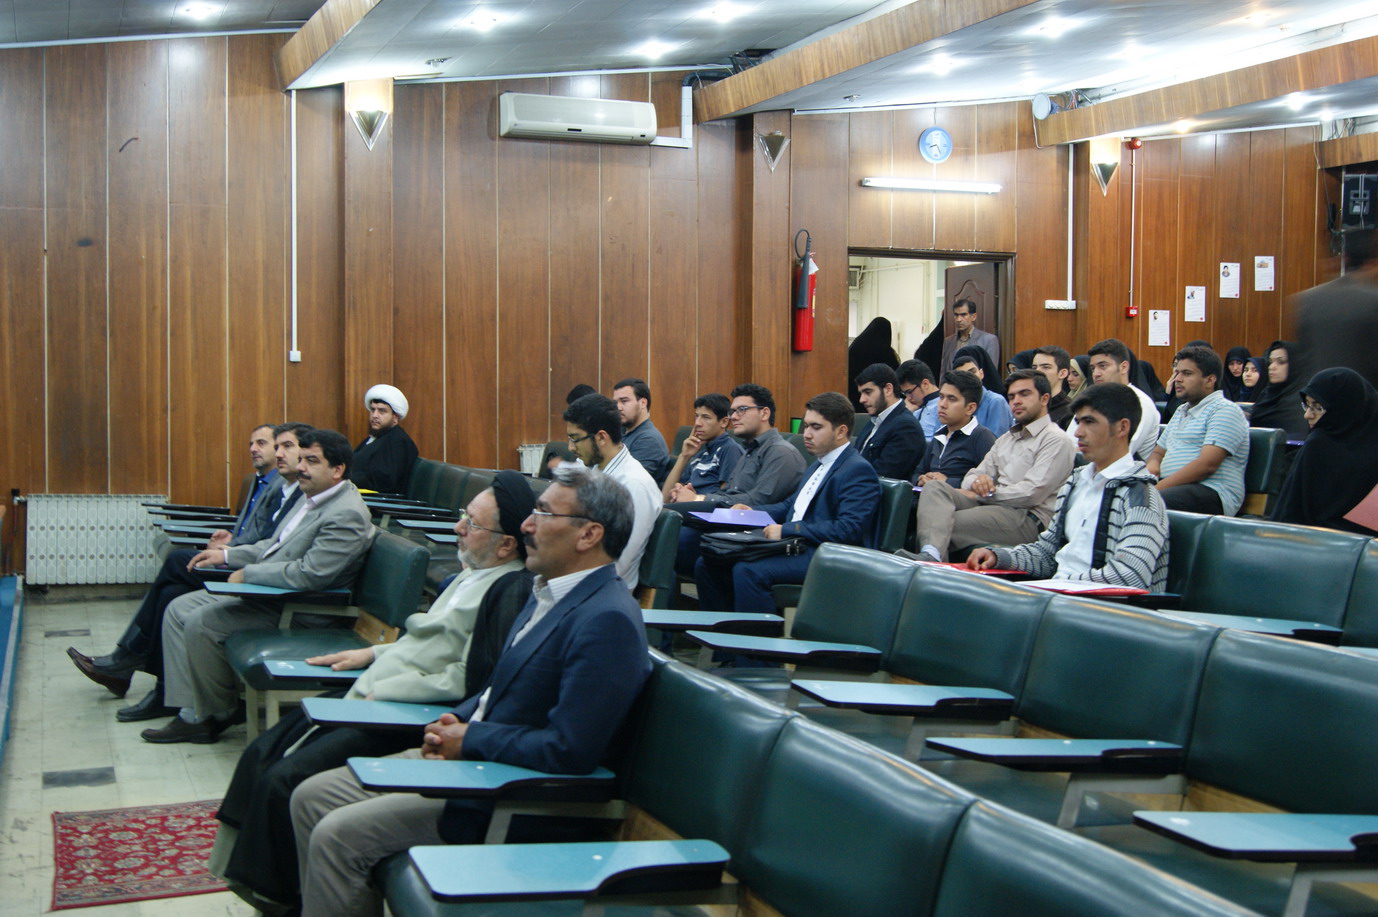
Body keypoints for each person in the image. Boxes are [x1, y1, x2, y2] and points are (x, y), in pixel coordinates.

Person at [289, 465, 651, 917]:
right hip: (474, 760)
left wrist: (471, 739)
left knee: (339, 835)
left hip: (510, 793)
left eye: (543, 513)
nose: (526, 524)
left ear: (589, 534)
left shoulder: (606, 619)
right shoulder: (546, 591)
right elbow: (498, 689)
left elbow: (569, 750)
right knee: (310, 796)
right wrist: (456, 720)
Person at [210, 472, 536, 913]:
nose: (458, 528)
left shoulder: (507, 590)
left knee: (286, 778)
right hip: (378, 692)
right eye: (464, 516)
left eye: (472, 523)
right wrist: (372, 654)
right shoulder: (472, 574)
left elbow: (468, 677)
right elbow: (426, 643)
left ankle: (280, 897)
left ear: (506, 545)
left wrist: (386, 686)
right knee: (264, 751)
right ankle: (256, 882)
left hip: (403, 712)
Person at [141, 429, 377, 744]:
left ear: (337, 470)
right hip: (275, 598)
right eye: (301, 459)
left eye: (311, 461)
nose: (301, 467)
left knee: (202, 622)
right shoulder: (310, 496)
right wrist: (227, 555)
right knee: (177, 609)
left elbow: (310, 574)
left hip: (303, 610)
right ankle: (192, 709)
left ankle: (214, 713)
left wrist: (249, 574)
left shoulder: (346, 513)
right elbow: (274, 546)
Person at [67, 422, 309, 720]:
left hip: (251, 574)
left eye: (268, 444)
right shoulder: (271, 484)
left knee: (176, 561)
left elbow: (274, 546)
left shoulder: (294, 491)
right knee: (173, 592)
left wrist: (229, 552)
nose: (255, 449)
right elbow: (261, 536)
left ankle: (131, 657)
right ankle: (159, 688)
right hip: (239, 558)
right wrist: (230, 540)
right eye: (253, 444)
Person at [968, 383, 1170, 592]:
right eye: (1078, 422)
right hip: (1061, 595)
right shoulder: (1076, 482)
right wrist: (1000, 557)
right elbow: (1048, 554)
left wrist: (1062, 585)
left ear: (1122, 427)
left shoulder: (1141, 497)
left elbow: (1130, 578)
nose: (1078, 433)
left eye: (1089, 422)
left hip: (1100, 606)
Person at [694, 392, 881, 615]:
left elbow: (848, 529)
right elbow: (790, 506)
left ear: (841, 431)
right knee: (709, 562)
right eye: (806, 426)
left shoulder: (857, 470)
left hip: (826, 553)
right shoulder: (818, 463)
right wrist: (751, 511)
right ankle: (722, 636)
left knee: (749, 570)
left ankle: (755, 638)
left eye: (816, 427)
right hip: (797, 544)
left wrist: (786, 529)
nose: (807, 434)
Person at [914, 369, 1076, 562]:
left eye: (1024, 394)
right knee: (934, 488)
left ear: (1044, 399)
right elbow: (971, 477)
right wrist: (979, 482)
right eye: (1011, 396)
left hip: (1027, 517)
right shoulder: (1007, 439)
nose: (1016, 401)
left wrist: (985, 494)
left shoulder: (1056, 440)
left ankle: (929, 564)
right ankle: (930, 557)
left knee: (939, 522)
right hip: (993, 507)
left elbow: (1031, 493)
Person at [667, 383, 807, 577]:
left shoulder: (781, 452)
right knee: (665, 522)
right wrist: (694, 496)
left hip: (753, 531)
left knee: (674, 536)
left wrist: (698, 499)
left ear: (764, 413)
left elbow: (756, 502)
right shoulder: (750, 450)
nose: (733, 417)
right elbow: (727, 494)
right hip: (728, 522)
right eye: (732, 411)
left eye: (741, 410)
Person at [564, 393, 660, 592]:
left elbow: (616, 562)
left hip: (602, 590)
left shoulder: (634, 485)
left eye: (576, 439)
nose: (570, 448)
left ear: (601, 437)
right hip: (576, 573)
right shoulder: (589, 467)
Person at [1271, 368, 1378, 534]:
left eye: (1318, 407)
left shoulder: (1318, 445)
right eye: (1307, 405)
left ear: (1345, 407)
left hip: (1311, 542)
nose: (1307, 415)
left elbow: (1289, 515)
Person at [1147, 346, 1249, 515]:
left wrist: (1154, 490)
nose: (1177, 379)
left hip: (1211, 490)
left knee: (1147, 503)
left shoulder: (1224, 410)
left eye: (1187, 374)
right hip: (1172, 487)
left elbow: (1206, 466)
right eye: (1177, 372)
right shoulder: (1181, 410)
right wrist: (1153, 465)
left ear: (1210, 380)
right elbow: (1158, 452)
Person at [1294, 228, 1378, 389]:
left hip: (1317, 396)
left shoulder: (1308, 299)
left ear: (1343, 259)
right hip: (1363, 397)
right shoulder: (1373, 301)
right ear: (1373, 263)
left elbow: (1303, 359)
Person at [913, 371, 998, 488]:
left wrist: (948, 482)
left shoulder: (982, 437)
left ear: (970, 408)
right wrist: (921, 479)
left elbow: (991, 482)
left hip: (958, 498)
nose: (942, 404)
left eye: (952, 399)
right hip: (929, 494)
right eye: (941, 397)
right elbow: (918, 472)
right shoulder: (940, 435)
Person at [662, 393, 744, 503]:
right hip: (683, 508)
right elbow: (665, 498)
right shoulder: (700, 454)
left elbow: (727, 500)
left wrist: (695, 498)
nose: (697, 423)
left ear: (724, 422)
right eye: (697, 416)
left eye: (706, 417)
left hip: (703, 511)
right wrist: (684, 456)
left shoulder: (730, 449)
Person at [1086, 338, 1159, 460]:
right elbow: (1071, 442)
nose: (1096, 374)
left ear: (1124, 367)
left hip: (1124, 470)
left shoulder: (1140, 403)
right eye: (1093, 368)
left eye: (1103, 366)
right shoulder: (1091, 401)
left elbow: (1120, 454)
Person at [852, 362, 925, 480]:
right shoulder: (874, 421)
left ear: (888, 389)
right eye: (861, 393)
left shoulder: (906, 427)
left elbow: (883, 475)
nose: (862, 400)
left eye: (868, 392)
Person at [350, 384, 418, 494]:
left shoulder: (398, 441)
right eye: (373, 410)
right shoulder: (376, 438)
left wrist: (345, 480)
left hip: (378, 501)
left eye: (382, 411)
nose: (375, 415)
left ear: (395, 417)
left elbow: (383, 481)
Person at [612, 377, 670, 484]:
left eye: (624, 401)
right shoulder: (620, 431)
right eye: (615, 402)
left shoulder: (649, 439)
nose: (618, 407)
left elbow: (629, 483)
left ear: (643, 403)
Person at [1248, 341, 1309, 439]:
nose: (1272, 367)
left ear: (1294, 364)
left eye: (1281, 362)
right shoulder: (1265, 394)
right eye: (1270, 362)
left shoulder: (1302, 400)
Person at [950, 345, 1015, 436]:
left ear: (981, 373)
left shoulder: (995, 402)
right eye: (963, 375)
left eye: (972, 372)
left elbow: (995, 441)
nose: (970, 378)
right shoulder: (953, 404)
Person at [847, 316, 899, 410]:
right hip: (877, 402)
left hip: (851, 396)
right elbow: (896, 374)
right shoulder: (886, 352)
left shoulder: (855, 347)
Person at [939, 298, 1000, 376]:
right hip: (953, 383)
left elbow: (991, 373)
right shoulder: (948, 341)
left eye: (963, 315)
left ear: (973, 317)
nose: (958, 319)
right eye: (956, 315)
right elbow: (944, 373)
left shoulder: (989, 340)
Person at [1031, 345, 1075, 428]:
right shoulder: (1029, 406)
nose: (1037, 371)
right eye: (1034, 367)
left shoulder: (1071, 411)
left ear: (1062, 373)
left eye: (1046, 367)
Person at [897, 359, 942, 437]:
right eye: (904, 393)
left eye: (909, 392)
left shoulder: (943, 406)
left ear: (925, 384)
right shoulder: (914, 408)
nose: (908, 398)